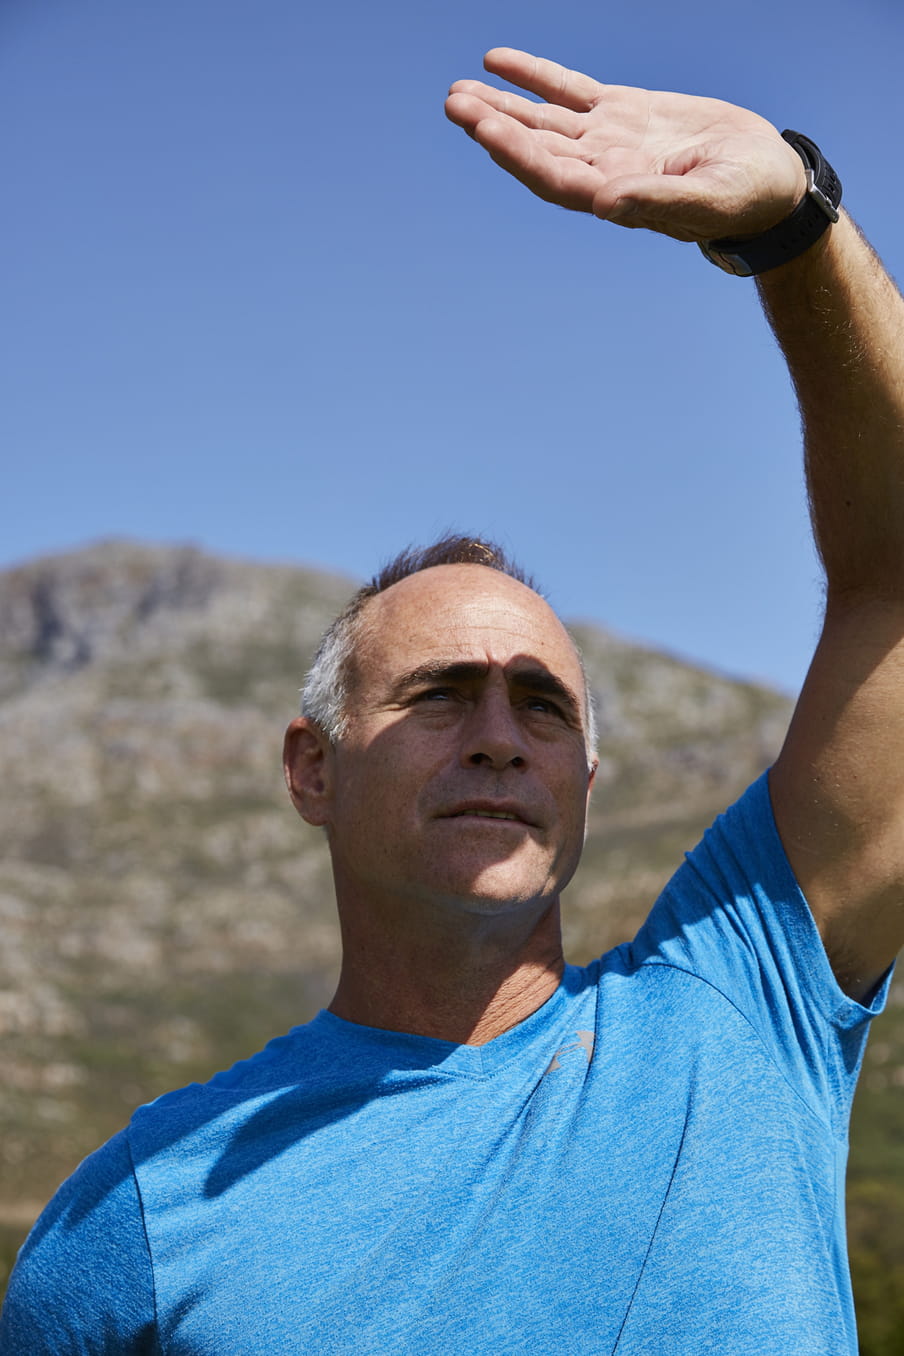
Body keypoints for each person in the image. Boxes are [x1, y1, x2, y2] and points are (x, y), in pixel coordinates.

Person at [2, 46, 903, 1356]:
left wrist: (793, 224)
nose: (497, 735)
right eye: (439, 695)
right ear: (311, 767)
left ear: (586, 783)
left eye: (544, 708)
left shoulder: (743, 1000)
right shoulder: (137, 1219)